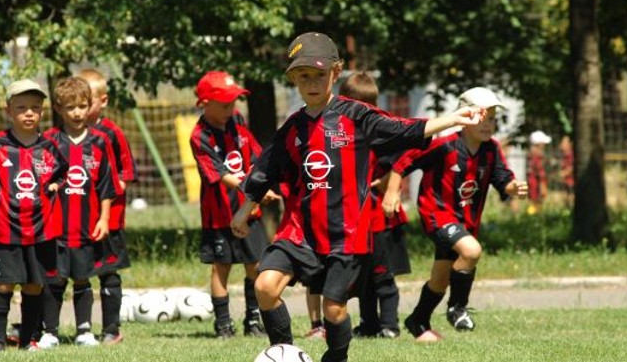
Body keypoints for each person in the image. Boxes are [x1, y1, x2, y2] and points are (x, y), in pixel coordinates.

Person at [230, 32, 484, 362]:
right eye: (303, 76)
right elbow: (263, 171)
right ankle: (285, 352)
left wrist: (451, 119)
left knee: (333, 310)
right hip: (300, 233)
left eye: (319, 75)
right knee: (265, 286)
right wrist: (243, 211)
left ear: (335, 73)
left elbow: (404, 129)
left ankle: (337, 358)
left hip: (345, 238)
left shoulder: (357, 116)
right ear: (293, 78)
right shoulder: (292, 128)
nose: (312, 83)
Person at [382, 86, 529, 342]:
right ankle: (457, 308)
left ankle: (418, 321)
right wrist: (392, 193)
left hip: (465, 222)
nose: (488, 124)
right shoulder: (443, 146)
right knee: (471, 251)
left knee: (440, 279)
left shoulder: (491, 150)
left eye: (492, 118)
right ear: (464, 116)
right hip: (436, 215)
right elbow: (402, 163)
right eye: (482, 117)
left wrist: (513, 187)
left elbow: (502, 178)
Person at [0, 79, 68, 352]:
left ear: (42, 111)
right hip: (5, 228)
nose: (28, 113)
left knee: (34, 286)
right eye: (22, 107)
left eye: (35, 108)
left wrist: (55, 185)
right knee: (3, 285)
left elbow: (63, 172)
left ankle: (28, 340)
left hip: (41, 229)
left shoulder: (49, 147)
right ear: (8, 110)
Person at [190, 70, 279, 338]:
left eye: (234, 102)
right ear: (205, 103)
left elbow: (253, 153)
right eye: (225, 103)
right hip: (219, 215)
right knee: (221, 268)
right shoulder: (199, 136)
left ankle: (253, 320)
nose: (232, 108)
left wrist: (265, 182)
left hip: (249, 211)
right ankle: (223, 324)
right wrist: (254, 188)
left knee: (255, 265)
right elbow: (219, 174)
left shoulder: (237, 119)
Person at [39, 77, 122, 348]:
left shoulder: (99, 142)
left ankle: (84, 330)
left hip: (87, 226)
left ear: (90, 107)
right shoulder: (49, 141)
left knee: (83, 277)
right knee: (54, 278)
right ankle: (49, 331)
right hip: (56, 225)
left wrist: (104, 218)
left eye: (83, 106)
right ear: (59, 108)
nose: (77, 113)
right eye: (71, 107)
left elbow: (107, 186)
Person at [338, 72, 410, 339]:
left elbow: (401, 162)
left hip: (380, 218)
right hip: (355, 219)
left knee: (382, 275)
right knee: (363, 278)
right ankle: (368, 325)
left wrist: (388, 187)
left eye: (368, 105)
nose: (362, 111)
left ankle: (390, 326)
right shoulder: (339, 130)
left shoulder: (379, 129)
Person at [76, 68, 138, 344]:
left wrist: (103, 195)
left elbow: (125, 175)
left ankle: (111, 329)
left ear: (103, 101)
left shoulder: (111, 133)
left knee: (108, 272)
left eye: (87, 101)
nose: (81, 108)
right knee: (78, 273)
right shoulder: (71, 135)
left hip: (109, 219)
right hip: (78, 221)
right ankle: (81, 329)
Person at [527, 130, 551, 214]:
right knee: (536, 205)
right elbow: (540, 173)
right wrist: (543, 186)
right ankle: (532, 218)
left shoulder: (530, 154)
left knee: (535, 204)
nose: (544, 145)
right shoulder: (537, 156)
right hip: (536, 185)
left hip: (532, 183)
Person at [558, 134, 574, 207]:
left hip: (571, 182)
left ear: (569, 144)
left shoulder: (571, 154)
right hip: (565, 181)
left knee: (571, 199)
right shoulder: (563, 155)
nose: (561, 144)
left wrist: (564, 173)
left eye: (563, 142)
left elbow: (572, 167)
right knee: (565, 199)